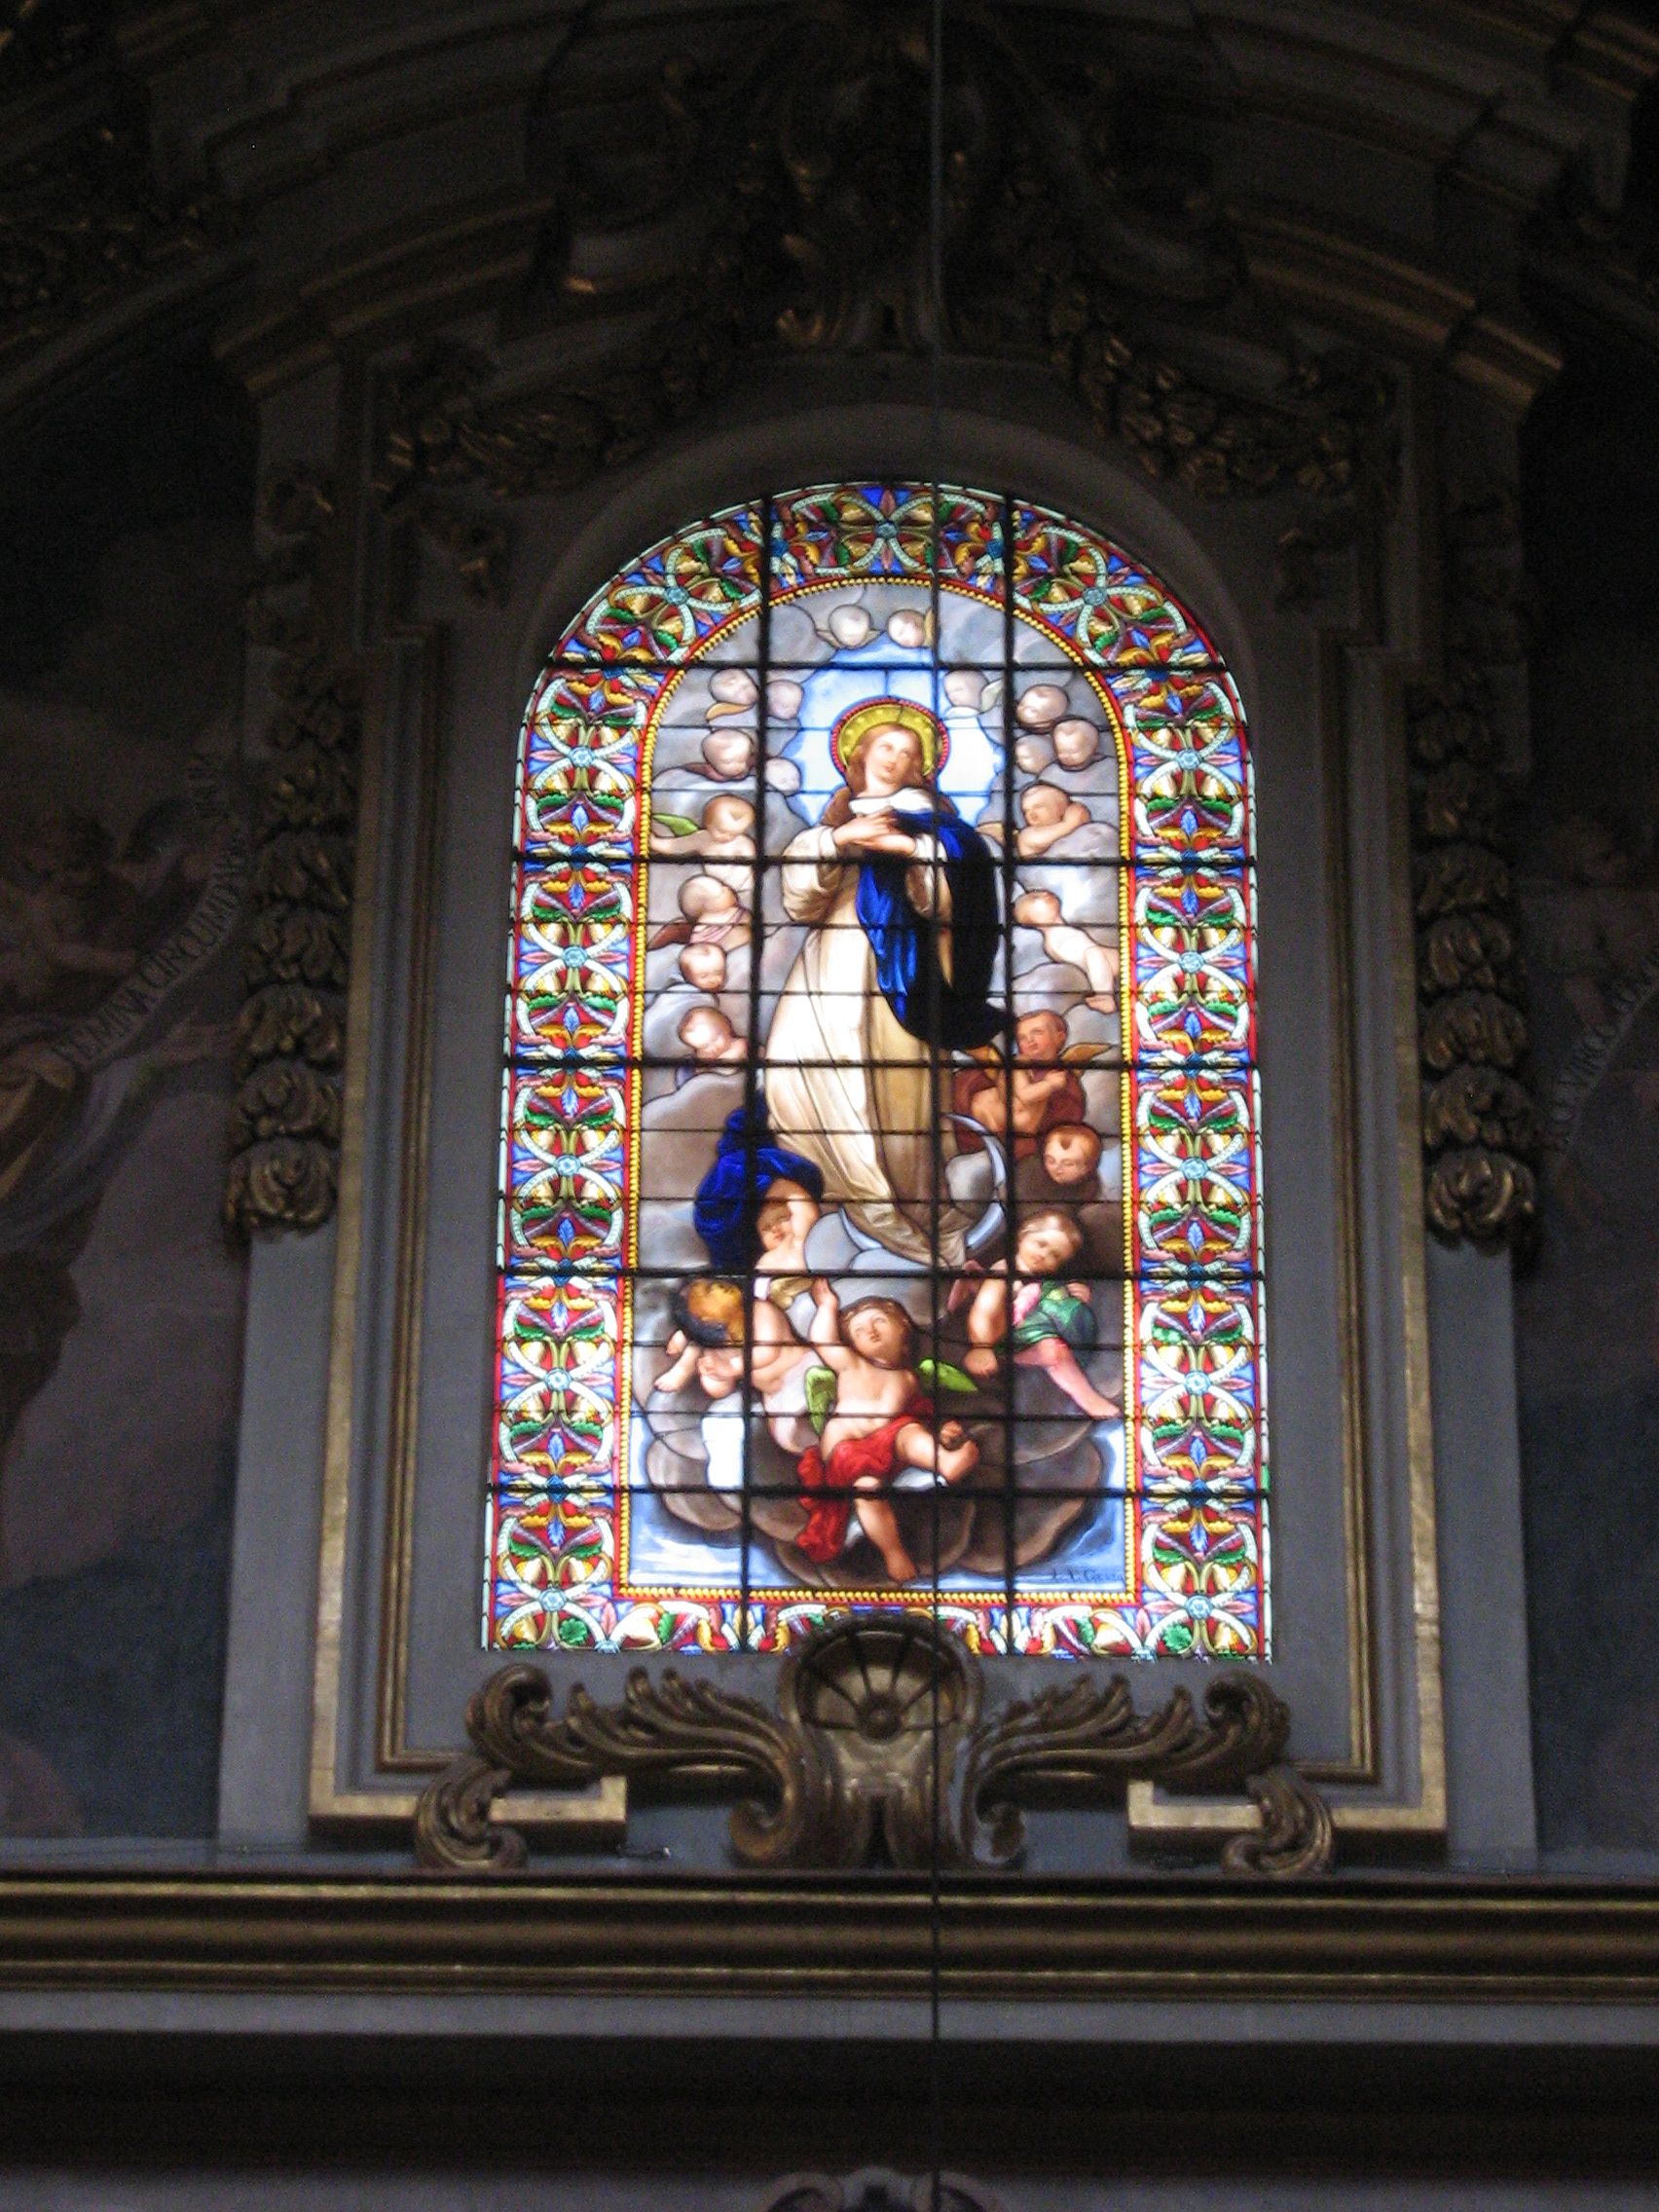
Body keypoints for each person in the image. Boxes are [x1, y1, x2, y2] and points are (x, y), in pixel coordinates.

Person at [764, 699, 1003, 1267]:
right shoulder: (835, 822)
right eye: (885, 745)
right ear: (859, 754)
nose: (895, 757)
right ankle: (835, 1206)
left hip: (903, 975)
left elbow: (959, 890)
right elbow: (800, 901)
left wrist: (911, 849)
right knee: (794, 1077)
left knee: (894, 1096)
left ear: (921, 766)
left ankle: (906, 1212)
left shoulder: (934, 825)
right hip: (829, 967)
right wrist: (839, 840)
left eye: (908, 751)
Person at [795, 1283, 978, 1582]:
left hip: (889, 1443)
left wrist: (943, 1431)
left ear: (902, 1328)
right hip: (849, 1451)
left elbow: (921, 1414)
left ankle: (946, 1461)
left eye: (879, 1321)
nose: (870, 1331)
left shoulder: (908, 1378)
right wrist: (827, 1305)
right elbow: (822, 1340)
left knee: (909, 1432)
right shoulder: (852, 1365)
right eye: (858, 1330)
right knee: (867, 1491)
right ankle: (894, 1553)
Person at [964, 1208, 1119, 1420]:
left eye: (1055, 1255)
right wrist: (981, 1347)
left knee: (1058, 1335)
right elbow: (984, 1311)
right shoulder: (1003, 1271)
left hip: (1028, 1330)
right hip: (1002, 1341)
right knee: (1052, 1350)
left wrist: (1073, 1293)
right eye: (1041, 1244)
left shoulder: (1039, 1278)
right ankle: (1088, 1399)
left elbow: (1045, 1298)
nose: (1044, 1254)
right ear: (1023, 1235)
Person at [955, 1009, 1087, 1159]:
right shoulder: (1018, 1066)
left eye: (1037, 1032)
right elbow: (1024, 1095)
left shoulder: (1065, 1080)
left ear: (1060, 1037)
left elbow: (1067, 1119)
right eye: (1022, 1038)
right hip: (990, 1123)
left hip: (1023, 1139)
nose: (1030, 1040)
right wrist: (1049, 1085)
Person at [1013, 889, 1120, 1011]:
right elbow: (1091, 956)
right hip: (1114, 966)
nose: (1044, 894)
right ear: (1035, 920)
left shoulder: (1059, 932)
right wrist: (1103, 991)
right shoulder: (1057, 938)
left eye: (1039, 893)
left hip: (1116, 963)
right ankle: (1104, 997)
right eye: (1036, 898)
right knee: (1093, 954)